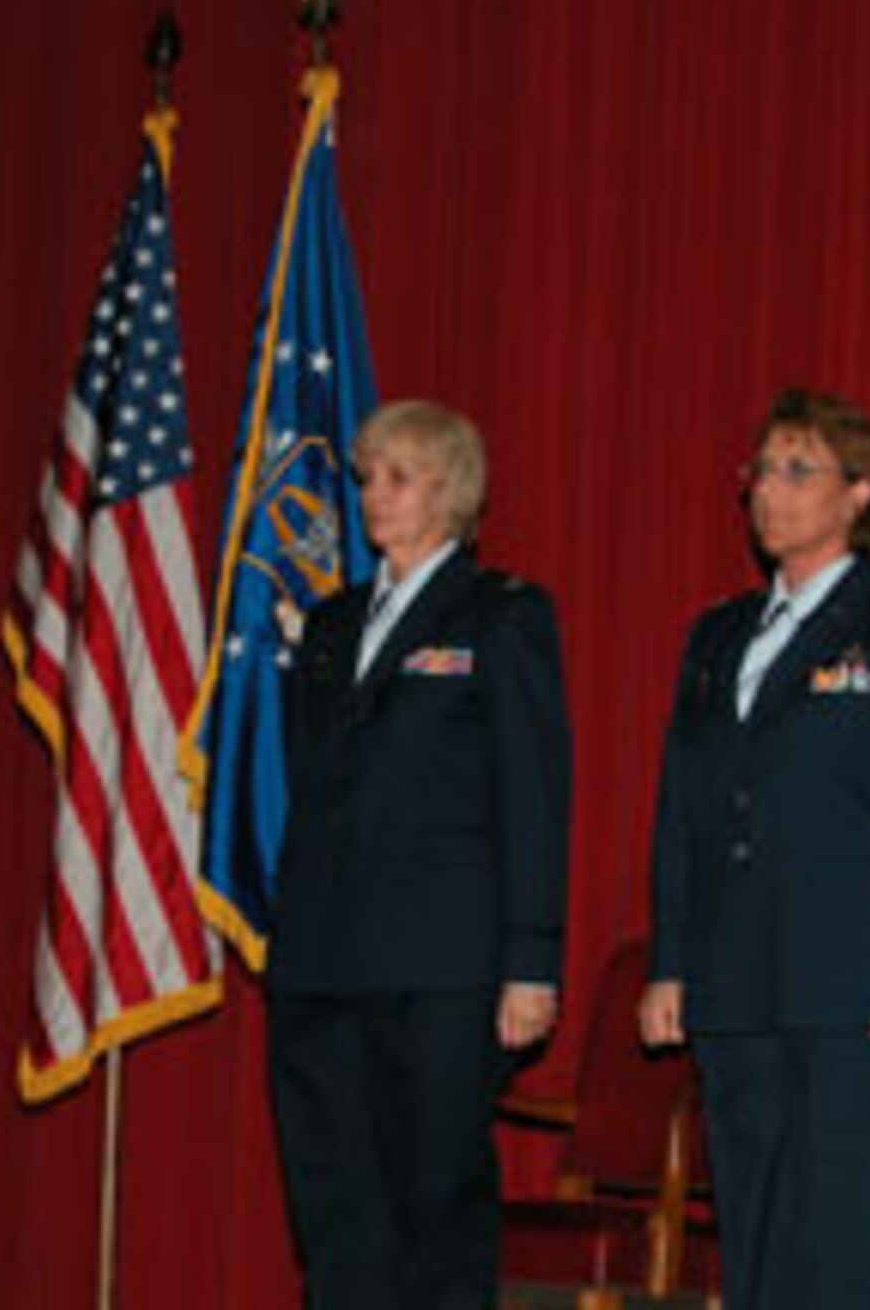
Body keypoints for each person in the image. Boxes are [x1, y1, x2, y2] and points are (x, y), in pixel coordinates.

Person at [638, 388, 870, 1309]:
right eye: (761, 471)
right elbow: (682, 813)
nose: (771, 491)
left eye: (801, 470)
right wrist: (673, 962)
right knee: (752, 1239)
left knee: (839, 1247)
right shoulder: (718, 635)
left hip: (859, 982)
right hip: (736, 976)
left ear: (860, 493)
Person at [265, 399, 572, 1309]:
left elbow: (533, 795)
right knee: (336, 1206)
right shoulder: (330, 625)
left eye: (396, 476)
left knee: (435, 1202)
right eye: (367, 476)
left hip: (442, 966)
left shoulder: (499, 617)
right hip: (323, 960)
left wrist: (531, 960)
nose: (372, 496)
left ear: (451, 489)